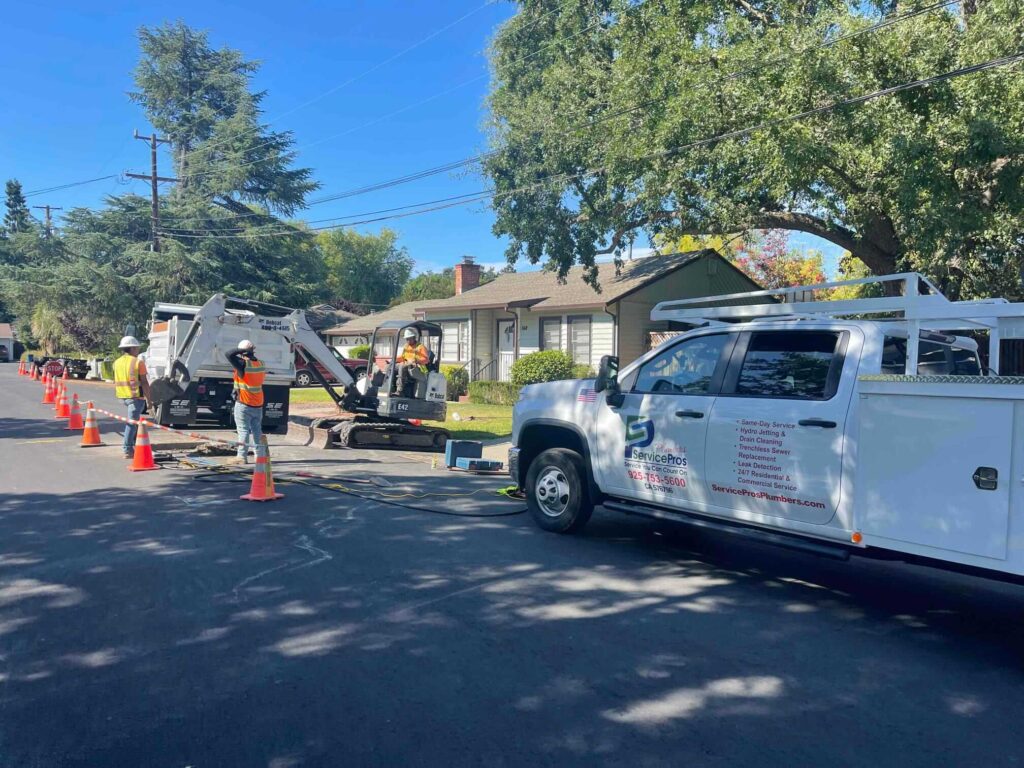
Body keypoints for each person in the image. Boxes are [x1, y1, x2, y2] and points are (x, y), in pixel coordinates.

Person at [227, 339, 266, 464]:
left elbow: (228, 354)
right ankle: (260, 456)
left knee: (243, 430)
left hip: (244, 403)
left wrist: (241, 350)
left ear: (243, 352)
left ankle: (241, 457)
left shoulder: (243, 364)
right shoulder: (260, 364)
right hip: (258, 403)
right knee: (257, 431)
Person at [113, 336, 152, 459]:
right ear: (133, 348)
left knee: (133, 422)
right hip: (135, 397)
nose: (138, 350)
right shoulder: (138, 362)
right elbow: (145, 382)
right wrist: (149, 400)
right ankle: (128, 449)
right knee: (131, 423)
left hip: (123, 396)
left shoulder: (116, 362)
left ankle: (133, 444)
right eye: (137, 348)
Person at [397, 327, 429, 396]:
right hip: (407, 364)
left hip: (418, 367)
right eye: (406, 339)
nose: (408, 341)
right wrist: (393, 360)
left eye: (409, 339)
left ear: (414, 337)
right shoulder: (406, 346)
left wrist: (417, 361)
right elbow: (402, 357)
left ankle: (400, 390)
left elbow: (426, 360)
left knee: (402, 366)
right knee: (391, 366)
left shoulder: (420, 347)